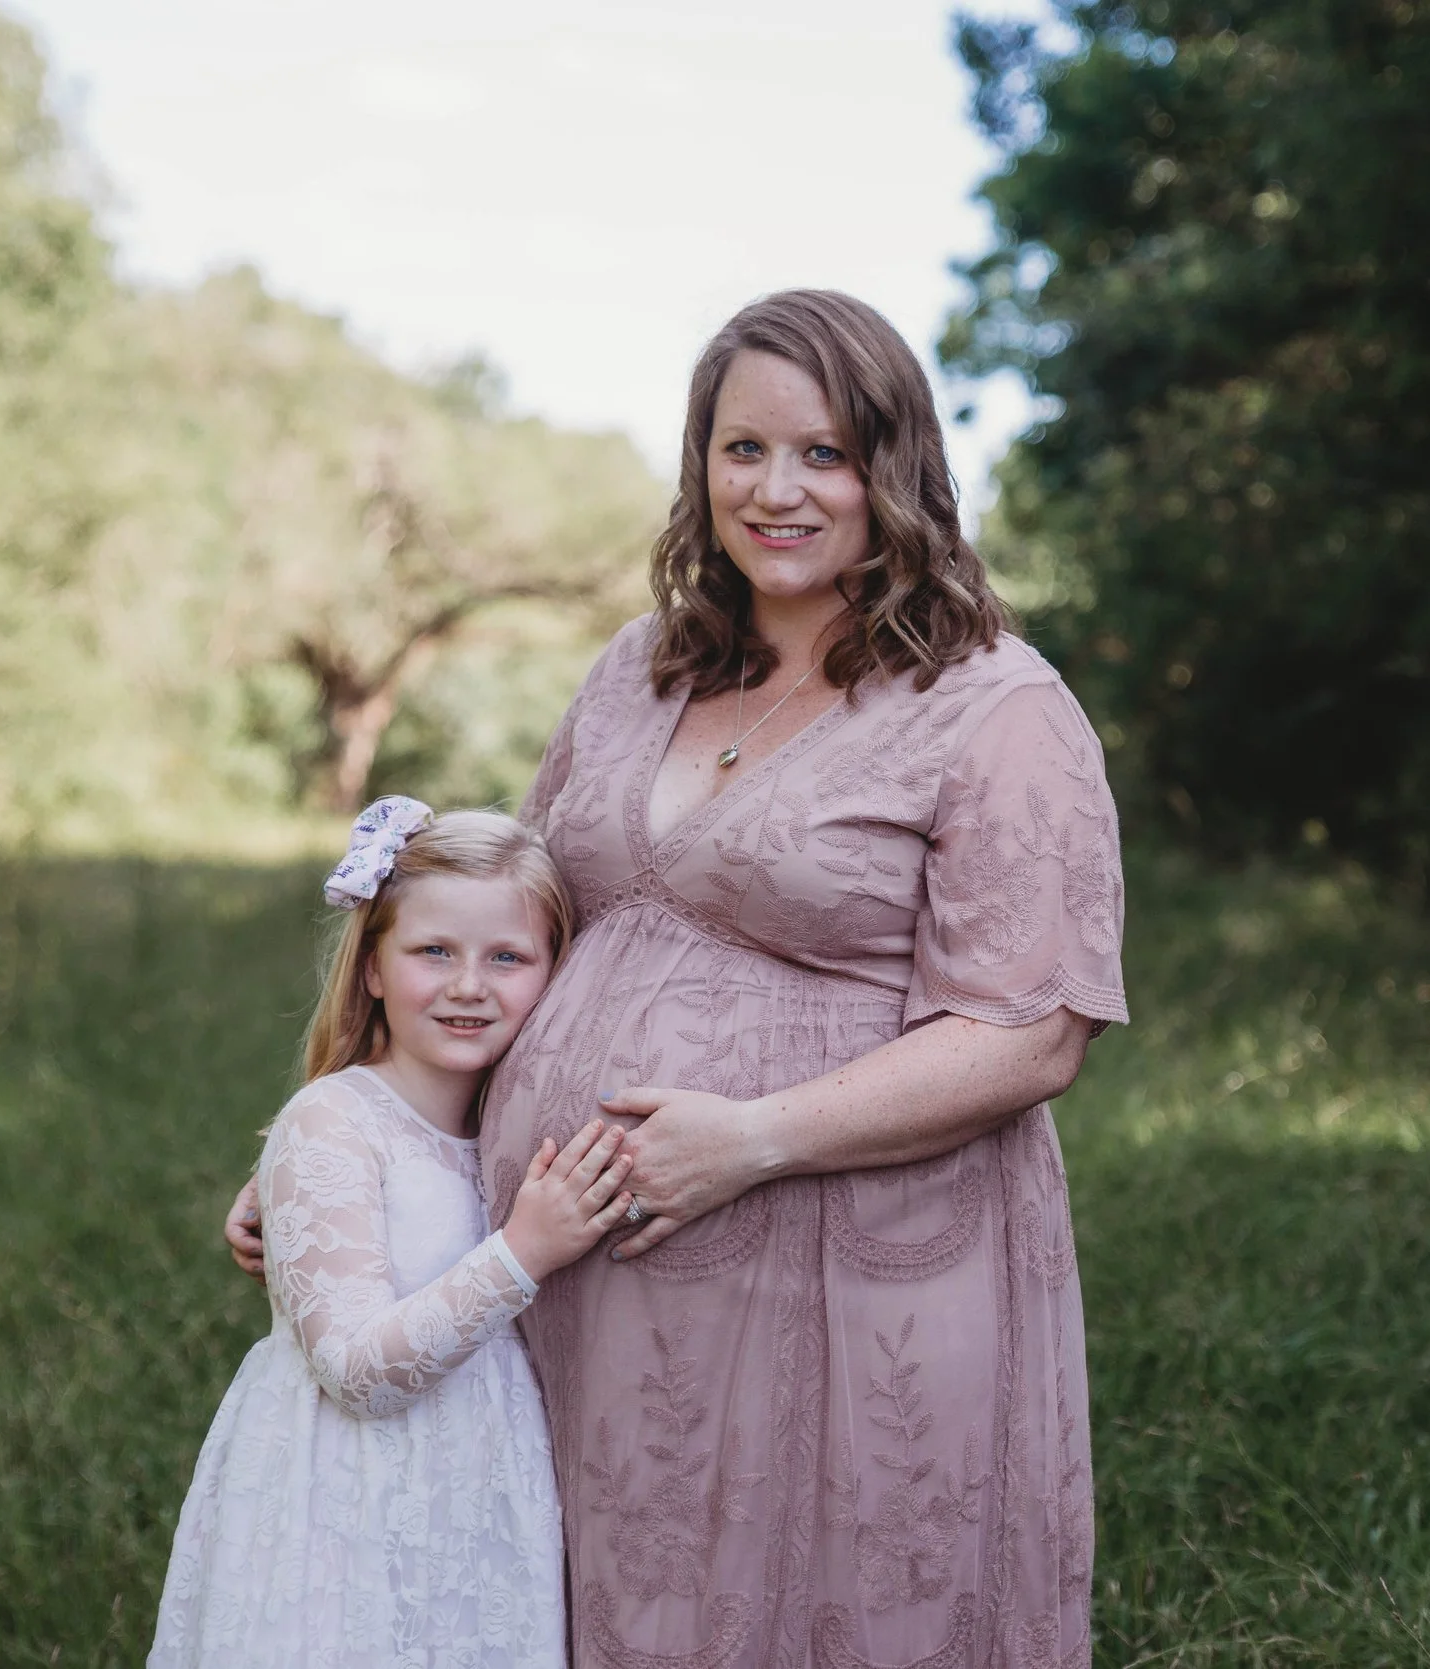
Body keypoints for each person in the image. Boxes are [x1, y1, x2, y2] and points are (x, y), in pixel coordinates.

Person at [230, 290, 1126, 1667]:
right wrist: (351, 1149)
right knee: (594, 1601)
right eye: (742, 450)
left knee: (846, 1603)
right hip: (584, 1274)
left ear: (897, 471)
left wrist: (753, 1137)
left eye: (825, 454)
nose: (779, 491)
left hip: (845, 1278)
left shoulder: (995, 706)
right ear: (700, 465)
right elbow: (509, 939)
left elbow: (1028, 1034)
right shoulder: (637, 673)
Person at [158, 801, 638, 1668]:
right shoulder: (334, 1121)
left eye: (507, 957)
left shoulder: (505, 1128)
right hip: (347, 1513)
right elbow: (357, 1374)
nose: (468, 984)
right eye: (433, 952)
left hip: (476, 1509)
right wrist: (525, 1249)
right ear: (373, 966)